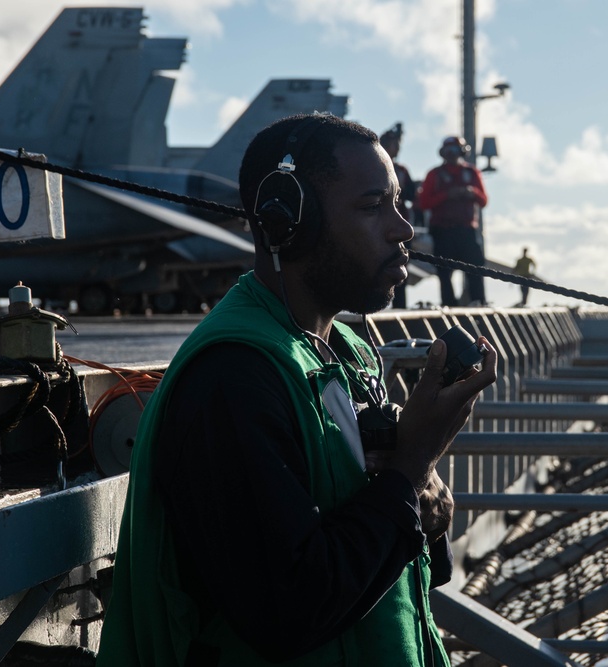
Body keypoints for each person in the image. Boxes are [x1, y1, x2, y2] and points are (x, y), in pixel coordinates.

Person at [97, 113, 498, 667]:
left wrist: (423, 498)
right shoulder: (234, 377)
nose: (402, 228)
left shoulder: (349, 354)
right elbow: (287, 610)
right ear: (286, 221)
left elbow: (408, 572)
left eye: (398, 204)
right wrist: (410, 468)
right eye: (371, 206)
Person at [417, 136, 488, 307]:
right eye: (449, 152)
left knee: (475, 269)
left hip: (466, 231)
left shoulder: (471, 173)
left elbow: (484, 200)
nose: (452, 155)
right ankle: (449, 304)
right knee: (444, 272)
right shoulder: (434, 174)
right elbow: (424, 203)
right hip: (443, 231)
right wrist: (447, 196)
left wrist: (471, 192)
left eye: (455, 151)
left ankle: (479, 302)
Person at [380, 123, 417, 308]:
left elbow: (412, 194)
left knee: (402, 264)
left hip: (400, 221)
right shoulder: (376, 169)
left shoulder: (401, 170)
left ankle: (400, 304)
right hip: (382, 226)